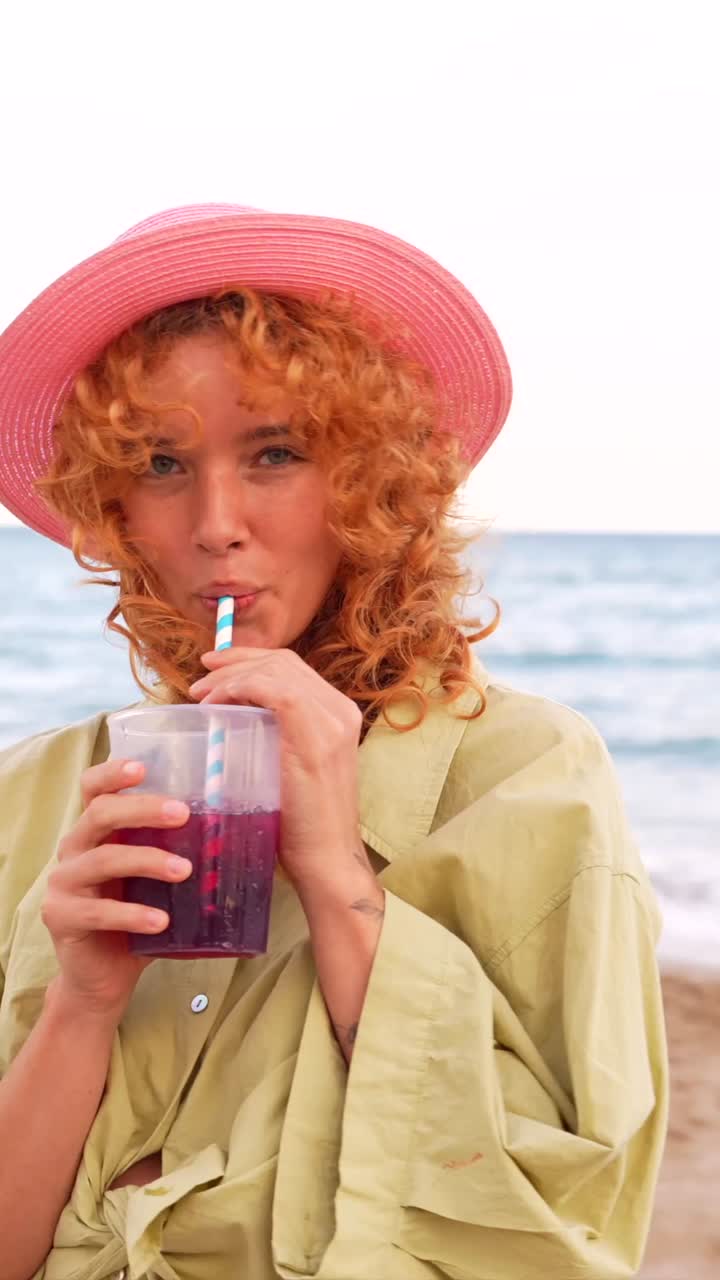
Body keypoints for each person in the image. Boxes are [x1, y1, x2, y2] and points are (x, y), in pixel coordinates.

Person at [0, 204, 668, 1280]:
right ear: (113, 504)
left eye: (275, 451)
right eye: (163, 464)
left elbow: (559, 1231)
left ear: (372, 482)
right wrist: (80, 1005)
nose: (215, 519)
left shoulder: (531, 775)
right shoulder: (35, 795)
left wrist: (333, 870)